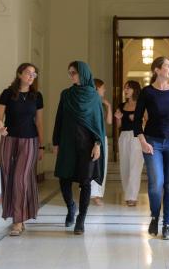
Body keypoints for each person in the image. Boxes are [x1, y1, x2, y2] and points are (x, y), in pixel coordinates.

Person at [134, 56, 169, 240]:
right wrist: (143, 141)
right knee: (156, 183)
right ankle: (154, 216)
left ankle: (167, 224)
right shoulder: (147, 92)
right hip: (152, 142)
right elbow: (136, 121)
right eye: (168, 66)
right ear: (157, 70)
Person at [52, 61, 106, 235]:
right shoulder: (66, 95)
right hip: (68, 143)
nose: (71, 76)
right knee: (64, 178)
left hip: (87, 145)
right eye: (69, 73)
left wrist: (98, 144)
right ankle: (70, 208)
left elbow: (98, 124)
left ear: (83, 73)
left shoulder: (94, 96)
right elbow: (59, 119)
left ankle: (81, 219)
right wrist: (56, 143)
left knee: (85, 181)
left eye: (74, 72)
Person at [0, 63, 44, 236]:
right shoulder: (7, 93)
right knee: (9, 177)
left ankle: (17, 221)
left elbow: (39, 122)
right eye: (28, 73)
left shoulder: (37, 96)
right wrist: (1, 128)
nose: (32, 76)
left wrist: (41, 145)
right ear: (19, 74)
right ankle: (19, 217)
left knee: (20, 179)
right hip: (9, 140)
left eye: (34, 74)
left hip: (30, 141)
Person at [114, 80, 144, 206]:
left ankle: (132, 196)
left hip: (138, 136)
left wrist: (138, 119)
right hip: (124, 136)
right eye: (125, 88)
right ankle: (128, 193)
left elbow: (147, 122)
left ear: (135, 90)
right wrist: (118, 119)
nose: (125, 90)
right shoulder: (121, 106)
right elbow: (119, 126)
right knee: (124, 166)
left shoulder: (142, 105)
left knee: (135, 167)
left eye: (128, 88)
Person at [90, 78, 112, 206]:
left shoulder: (102, 102)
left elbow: (109, 122)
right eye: (103, 87)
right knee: (92, 164)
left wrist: (108, 106)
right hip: (92, 137)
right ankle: (91, 193)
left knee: (101, 165)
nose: (104, 89)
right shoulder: (91, 101)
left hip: (102, 137)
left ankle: (97, 194)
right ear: (97, 88)